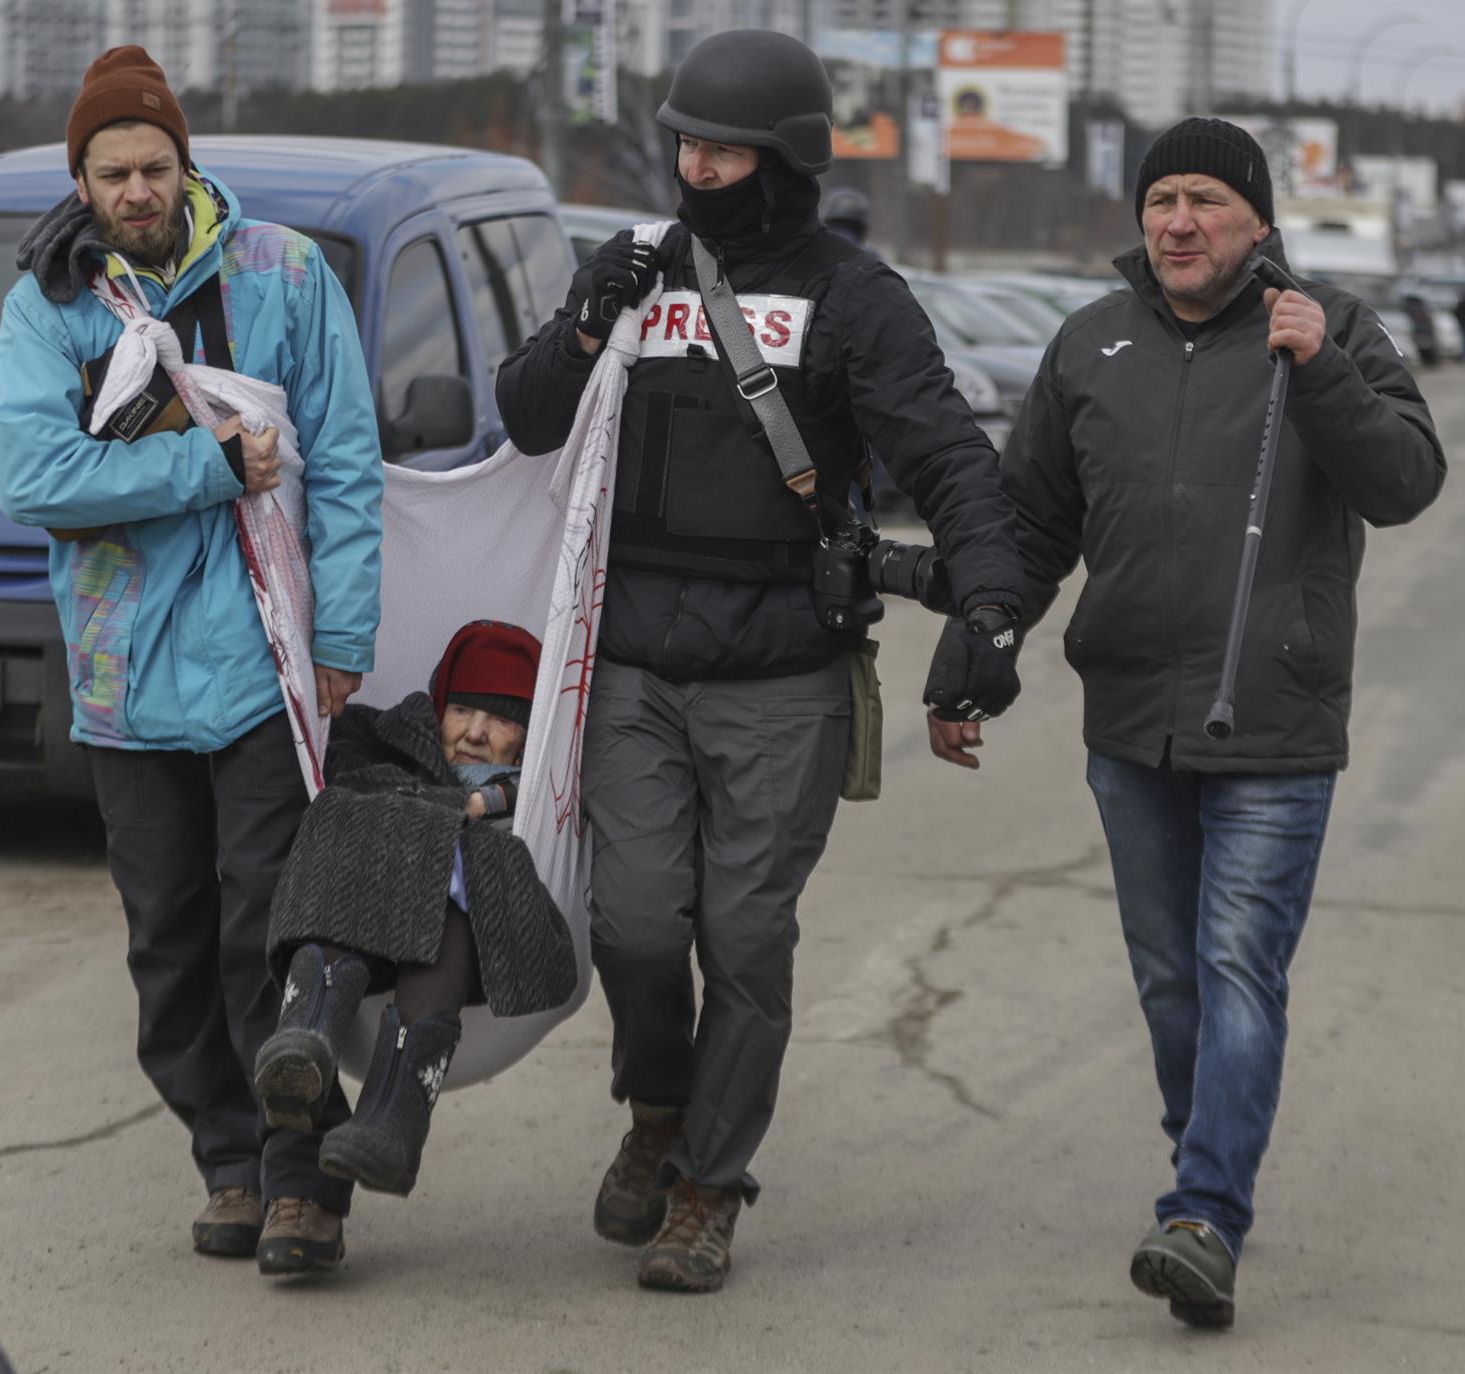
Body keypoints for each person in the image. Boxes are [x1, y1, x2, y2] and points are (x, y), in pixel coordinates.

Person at [495, 28, 1026, 1294]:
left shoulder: (855, 296)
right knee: (629, 924)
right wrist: (580, 325)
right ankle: (659, 1109)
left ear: (783, 159)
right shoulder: (632, 271)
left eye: (723, 149)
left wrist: (991, 604)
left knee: (743, 939)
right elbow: (522, 420)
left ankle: (709, 1186)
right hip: (629, 668)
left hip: (784, 673)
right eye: (684, 142)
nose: (697, 165)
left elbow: (950, 457)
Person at [932, 117, 1445, 1329]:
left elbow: (1408, 483)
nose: (1177, 222)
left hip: (1274, 720)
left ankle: (1206, 1209)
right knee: (1170, 980)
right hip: (1131, 723)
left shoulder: (1329, 330)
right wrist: (969, 658)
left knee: (1234, 968)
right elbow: (1028, 531)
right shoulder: (1091, 341)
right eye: (1161, 199)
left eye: (1205, 200)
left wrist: (1321, 371)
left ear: (1258, 222)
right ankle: (1201, 1165)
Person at [0, 46, 383, 1277]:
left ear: (186, 160)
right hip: (122, 681)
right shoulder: (45, 303)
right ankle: (223, 1159)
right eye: (114, 171)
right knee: (166, 942)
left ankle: (298, 1182)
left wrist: (342, 641)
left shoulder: (288, 273)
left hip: (266, 667)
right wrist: (205, 469)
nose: (138, 190)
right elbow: (32, 478)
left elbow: (350, 467)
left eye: (156, 164)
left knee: (271, 934)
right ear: (83, 175)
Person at [253, 620, 577, 1206]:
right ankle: (304, 1039)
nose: (476, 733)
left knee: (454, 904)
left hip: (456, 945)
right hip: (355, 919)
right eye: (462, 711)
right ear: (437, 706)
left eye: (501, 720)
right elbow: (342, 782)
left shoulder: (535, 787)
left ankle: (393, 1124)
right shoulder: (383, 736)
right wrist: (458, 806)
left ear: (527, 737)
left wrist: (483, 804)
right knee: (344, 829)